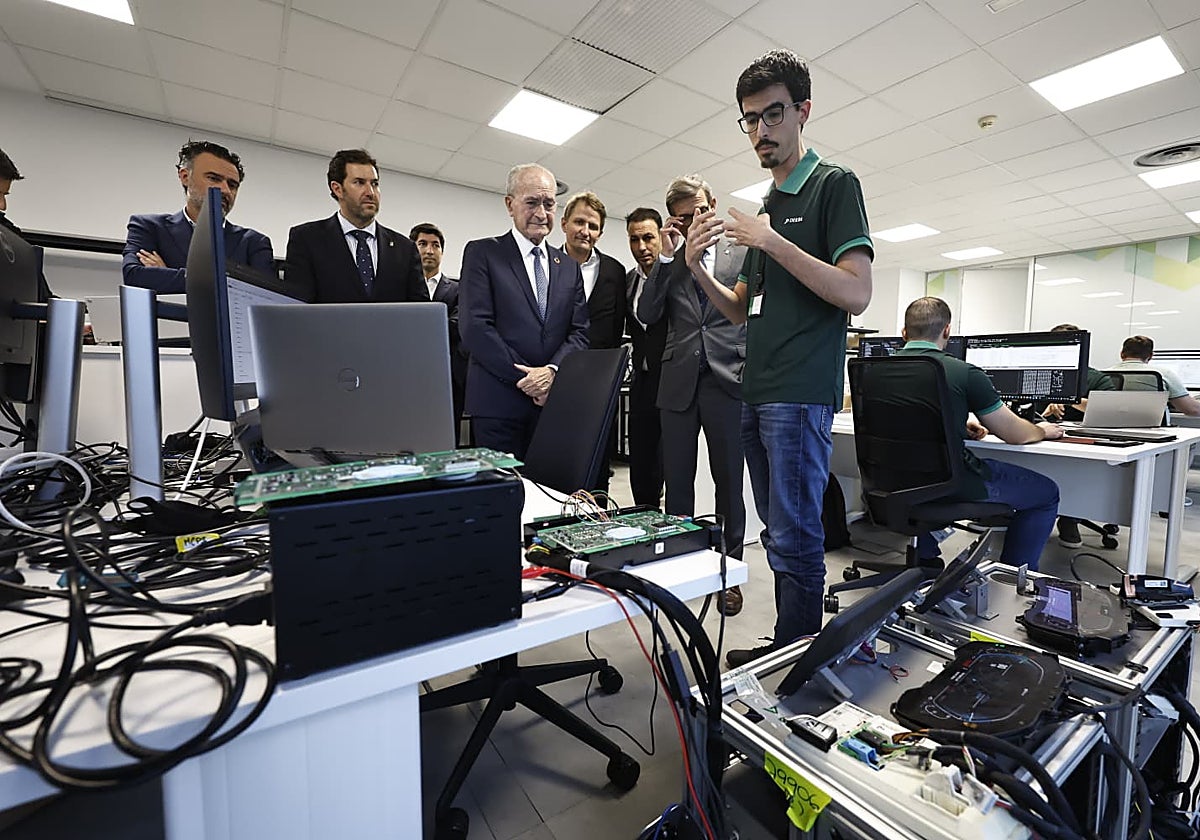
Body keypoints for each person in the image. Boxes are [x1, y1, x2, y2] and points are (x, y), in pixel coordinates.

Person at [681, 50, 874, 663]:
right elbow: (741, 308)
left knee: (795, 534)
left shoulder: (833, 186)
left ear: (802, 112)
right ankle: (792, 644)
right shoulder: (765, 208)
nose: (760, 133)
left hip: (798, 391)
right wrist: (695, 270)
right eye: (750, 121)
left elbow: (856, 291)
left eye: (772, 116)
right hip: (755, 389)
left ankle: (798, 657)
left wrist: (771, 239)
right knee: (776, 531)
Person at [637, 175, 747, 617]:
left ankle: (729, 573)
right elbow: (646, 313)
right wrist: (666, 258)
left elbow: (749, 313)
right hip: (678, 380)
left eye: (698, 211)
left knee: (729, 484)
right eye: (682, 216)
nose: (692, 221)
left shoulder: (741, 250)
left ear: (713, 204)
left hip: (729, 378)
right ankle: (679, 568)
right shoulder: (669, 259)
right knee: (677, 484)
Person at [891, 298, 1064, 570]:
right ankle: (1013, 577)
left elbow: (905, 424)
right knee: (1046, 493)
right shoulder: (963, 372)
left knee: (917, 471)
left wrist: (956, 426)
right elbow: (1016, 434)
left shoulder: (877, 368)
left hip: (894, 480)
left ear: (904, 332)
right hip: (952, 483)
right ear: (947, 330)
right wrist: (1041, 430)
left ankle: (924, 559)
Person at [458, 164, 589, 460]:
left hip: (552, 405)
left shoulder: (568, 266)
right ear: (510, 204)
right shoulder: (482, 253)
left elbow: (579, 332)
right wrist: (529, 380)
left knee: (548, 494)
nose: (541, 213)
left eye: (549, 204)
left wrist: (552, 373)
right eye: (532, 202)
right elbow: (475, 328)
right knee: (502, 496)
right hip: (498, 404)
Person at [122, 140, 274, 293]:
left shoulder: (253, 242)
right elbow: (135, 277)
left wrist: (166, 274)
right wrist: (229, 283)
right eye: (213, 178)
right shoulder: (149, 227)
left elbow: (264, 296)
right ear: (185, 176)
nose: (226, 190)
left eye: (232, 185)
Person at [284, 149, 426, 304]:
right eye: (359, 182)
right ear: (337, 189)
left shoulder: (405, 249)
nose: (370, 192)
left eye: (375, 184)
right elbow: (297, 308)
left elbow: (422, 312)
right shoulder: (307, 239)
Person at [561, 191, 626, 494]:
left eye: (593, 225)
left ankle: (597, 522)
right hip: (556, 377)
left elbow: (616, 327)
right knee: (557, 457)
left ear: (600, 232)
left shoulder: (614, 271)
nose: (585, 231)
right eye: (579, 222)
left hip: (600, 383)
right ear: (564, 223)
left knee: (598, 462)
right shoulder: (546, 263)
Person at [1038, 323, 1114, 549]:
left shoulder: (1095, 378)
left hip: (1081, 444)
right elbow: (1019, 409)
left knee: (1075, 472)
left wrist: (1071, 400)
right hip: (1041, 440)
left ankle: (1071, 516)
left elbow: (1110, 410)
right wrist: (1044, 412)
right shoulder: (1035, 373)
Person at [624, 208, 667, 509]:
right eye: (634, 239)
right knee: (640, 460)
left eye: (648, 238)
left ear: (662, 237)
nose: (642, 247)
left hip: (674, 380)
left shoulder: (677, 275)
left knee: (670, 462)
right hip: (641, 381)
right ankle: (643, 516)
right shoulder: (627, 281)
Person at [411, 222, 467, 442]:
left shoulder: (460, 289)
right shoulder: (400, 288)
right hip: (409, 376)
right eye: (422, 244)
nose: (429, 250)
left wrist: (418, 326)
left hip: (449, 379)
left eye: (435, 245)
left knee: (447, 439)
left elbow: (457, 327)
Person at [1109, 335, 1200, 416]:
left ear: (1121, 353)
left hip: (1108, 429)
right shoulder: (1163, 373)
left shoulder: (1104, 374)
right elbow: (1192, 410)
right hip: (1151, 430)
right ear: (1151, 355)